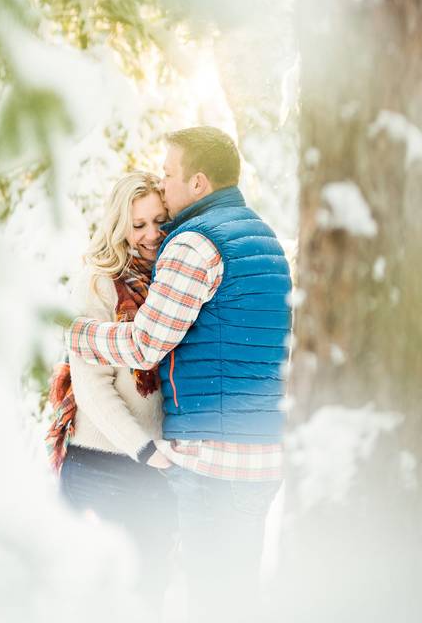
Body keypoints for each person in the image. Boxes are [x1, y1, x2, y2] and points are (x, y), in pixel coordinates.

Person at [66, 127, 292, 621]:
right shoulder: (264, 237)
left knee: (208, 599)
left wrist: (81, 336)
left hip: (211, 460)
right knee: (233, 594)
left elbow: (146, 343)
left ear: (198, 183)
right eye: (138, 223)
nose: (165, 187)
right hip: (253, 456)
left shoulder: (193, 247)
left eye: (169, 176)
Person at [46, 171, 177, 611]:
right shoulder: (99, 285)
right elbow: (92, 390)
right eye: (138, 225)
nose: (151, 234)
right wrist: (144, 449)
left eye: (159, 220)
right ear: (119, 226)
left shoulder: (168, 283)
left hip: (149, 469)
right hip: (101, 468)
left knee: (148, 598)